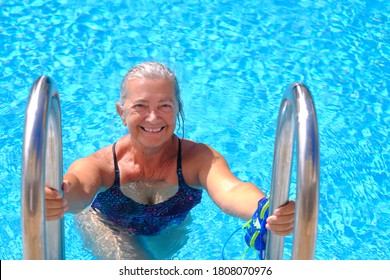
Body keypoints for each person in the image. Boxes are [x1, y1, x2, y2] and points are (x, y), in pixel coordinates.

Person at [45, 61, 295, 259]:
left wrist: (266, 210)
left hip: (171, 228)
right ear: (122, 113)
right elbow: (79, 186)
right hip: (107, 225)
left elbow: (231, 189)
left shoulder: (197, 158)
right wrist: (60, 195)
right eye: (140, 106)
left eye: (164, 105)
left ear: (178, 108)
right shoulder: (103, 165)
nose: (153, 118)